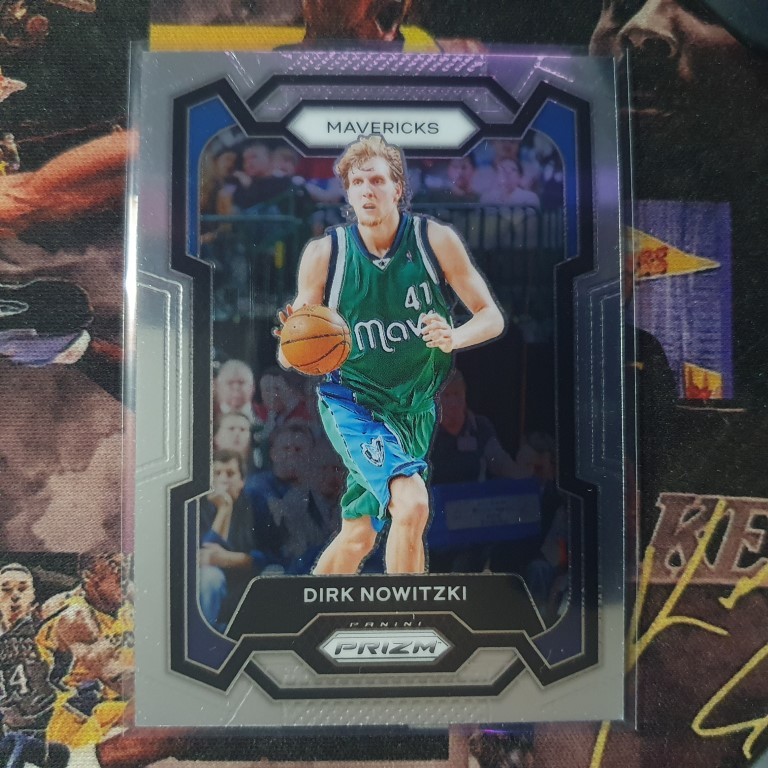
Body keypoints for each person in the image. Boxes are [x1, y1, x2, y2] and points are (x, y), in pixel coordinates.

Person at [276, 134, 505, 575]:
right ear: (348, 193)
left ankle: (310, 602)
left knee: (359, 534)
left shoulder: (434, 240)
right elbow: (293, 356)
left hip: (415, 407)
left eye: (377, 180)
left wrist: (454, 337)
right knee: (412, 503)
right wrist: (291, 345)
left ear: (397, 188)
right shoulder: (326, 254)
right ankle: (408, 610)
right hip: (355, 404)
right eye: (358, 182)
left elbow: (490, 316)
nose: (367, 190)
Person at [37, 555, 133, 749]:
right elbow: (117, 678)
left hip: (117, 711)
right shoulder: (75, 616)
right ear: (89, 575)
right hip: (78, 723)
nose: (123, 569)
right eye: (113, 564)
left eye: (126, 562)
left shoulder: (128, 609)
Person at [199, 450, 281, 630]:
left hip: (246, 582)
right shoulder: (199, 506)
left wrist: (237, 559)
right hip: (209, 586)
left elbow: (274, 553)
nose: (223, 480)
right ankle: (208, 634)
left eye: (230, 474)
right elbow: (206, 554)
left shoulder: (256, 504)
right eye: (217, 473)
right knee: (209, 577)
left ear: (242, 481)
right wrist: (224, 509)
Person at [0, 564, 69, 768]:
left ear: (33, 597)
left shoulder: (49, 629)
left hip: (49, 729)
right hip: (10, 732)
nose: (15, 596)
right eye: (6, 589)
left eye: (22, 589)